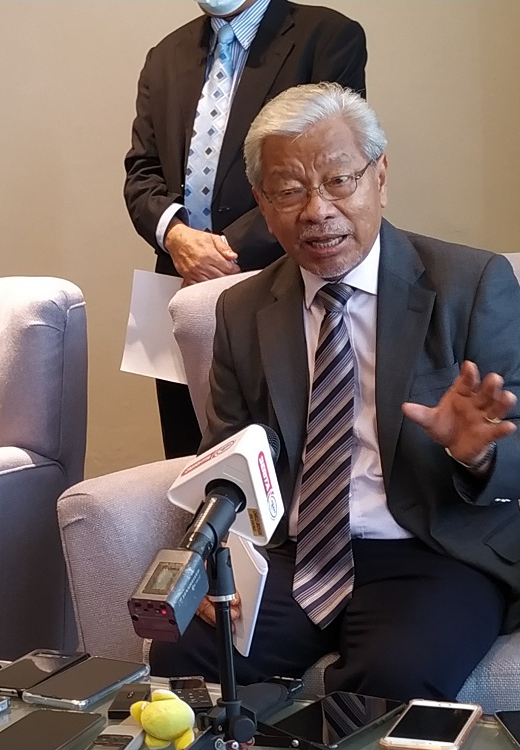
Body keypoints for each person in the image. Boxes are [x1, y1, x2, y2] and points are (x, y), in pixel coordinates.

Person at [149, 83, 520, 701]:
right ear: (263, 203)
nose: (317, 209)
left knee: (387, 678)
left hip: (433, 551)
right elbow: (227, 461)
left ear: (380, 176)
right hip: (298, 556)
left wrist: (478, 452)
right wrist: (216, 558)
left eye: (339, 180)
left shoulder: (469, 283)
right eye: (289, 191)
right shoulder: (242, 310)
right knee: (183, 651)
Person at [123, 0, 367, 459]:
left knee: (275, 451)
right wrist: (177, 238)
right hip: (175, 279)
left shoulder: (328, 37)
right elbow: (142, 173)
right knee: (187, 451)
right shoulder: (164, 56)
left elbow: (328, 163)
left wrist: (220, 252)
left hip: (278, 280)